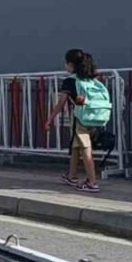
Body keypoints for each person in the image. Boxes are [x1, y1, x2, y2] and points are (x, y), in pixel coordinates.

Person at [44, 49, 103, 193]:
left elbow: (61, 103)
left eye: (66, 63)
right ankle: (72, 176)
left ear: (71, 64)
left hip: (80, 118)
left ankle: (92, 182)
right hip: (95, 116)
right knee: (76, 146)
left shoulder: (70, 81)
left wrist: (50, 118)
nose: (65, 66)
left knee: (85, 149)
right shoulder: (92, 79)